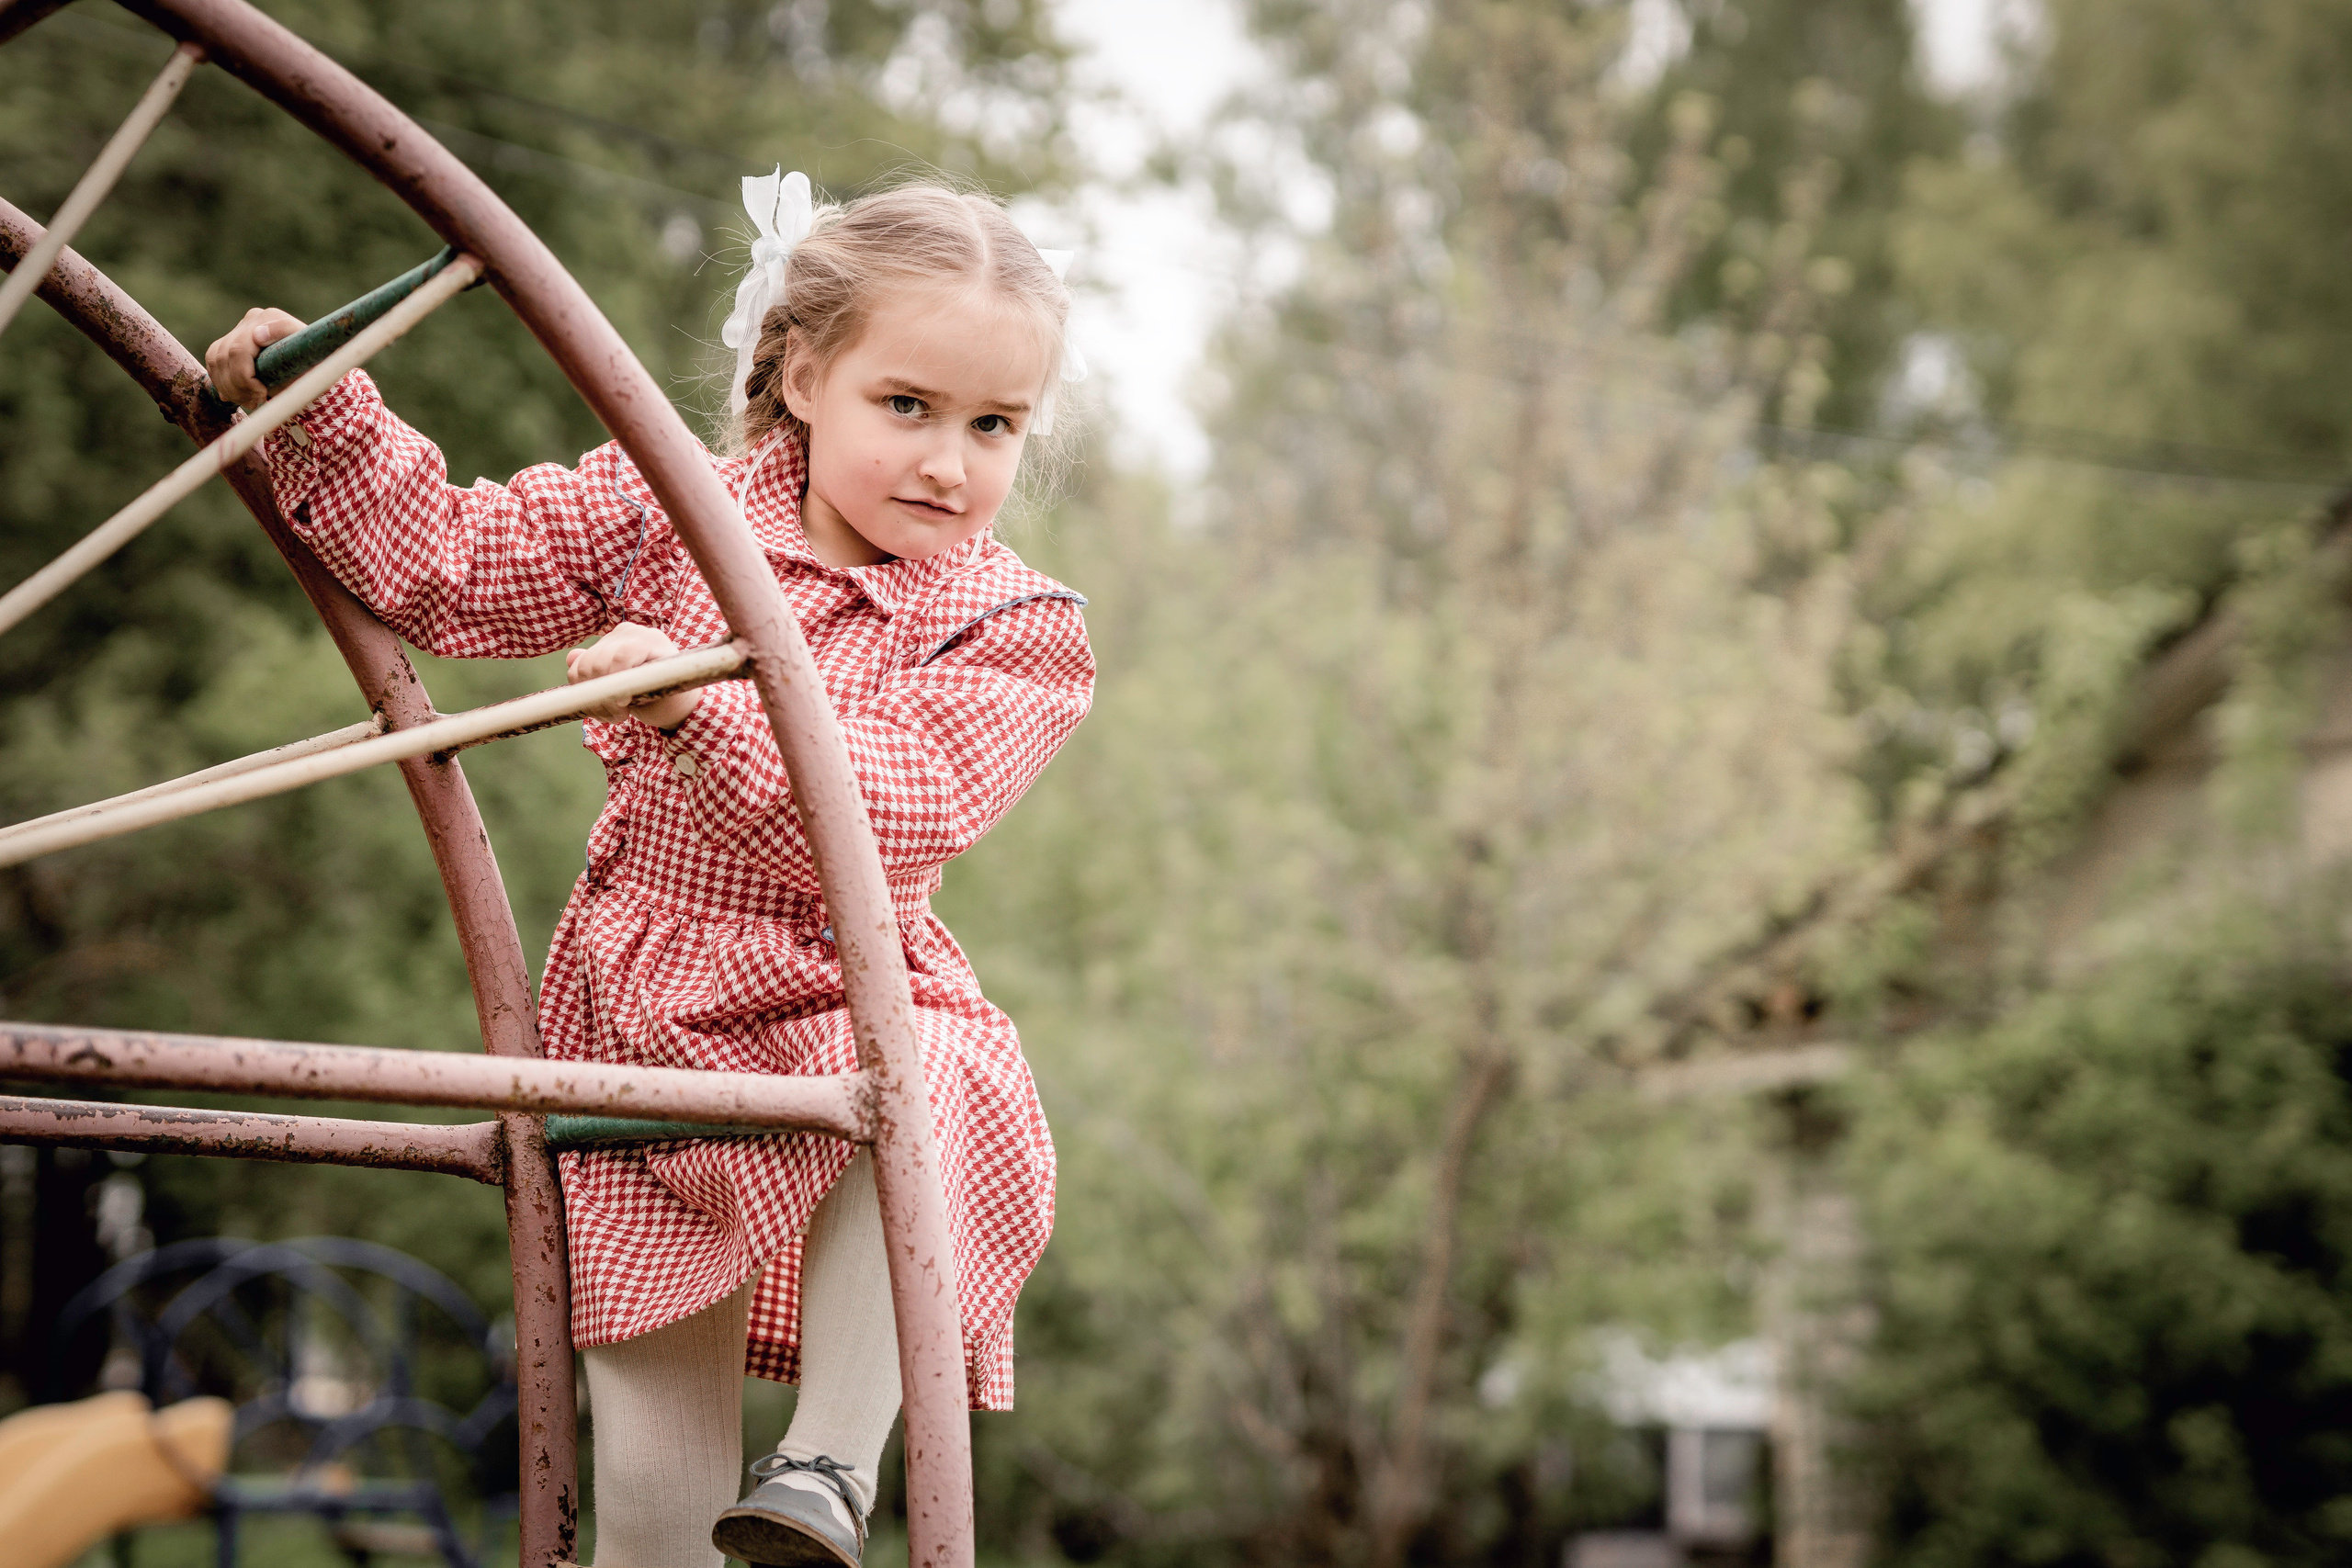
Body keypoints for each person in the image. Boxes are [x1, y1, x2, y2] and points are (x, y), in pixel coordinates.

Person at [204, 173, 1093, 1568]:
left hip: (841, 994)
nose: (948, 462)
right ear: (804, 374)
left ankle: (826, 1467)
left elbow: (894, 810)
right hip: (643, 1011)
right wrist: (322, 413)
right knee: (653, 1505)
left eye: (993, 426)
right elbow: (458, 569)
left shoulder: (1013, 625)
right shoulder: (670, 505)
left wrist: (701, 707)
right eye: (908, 405)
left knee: (947, 1072)